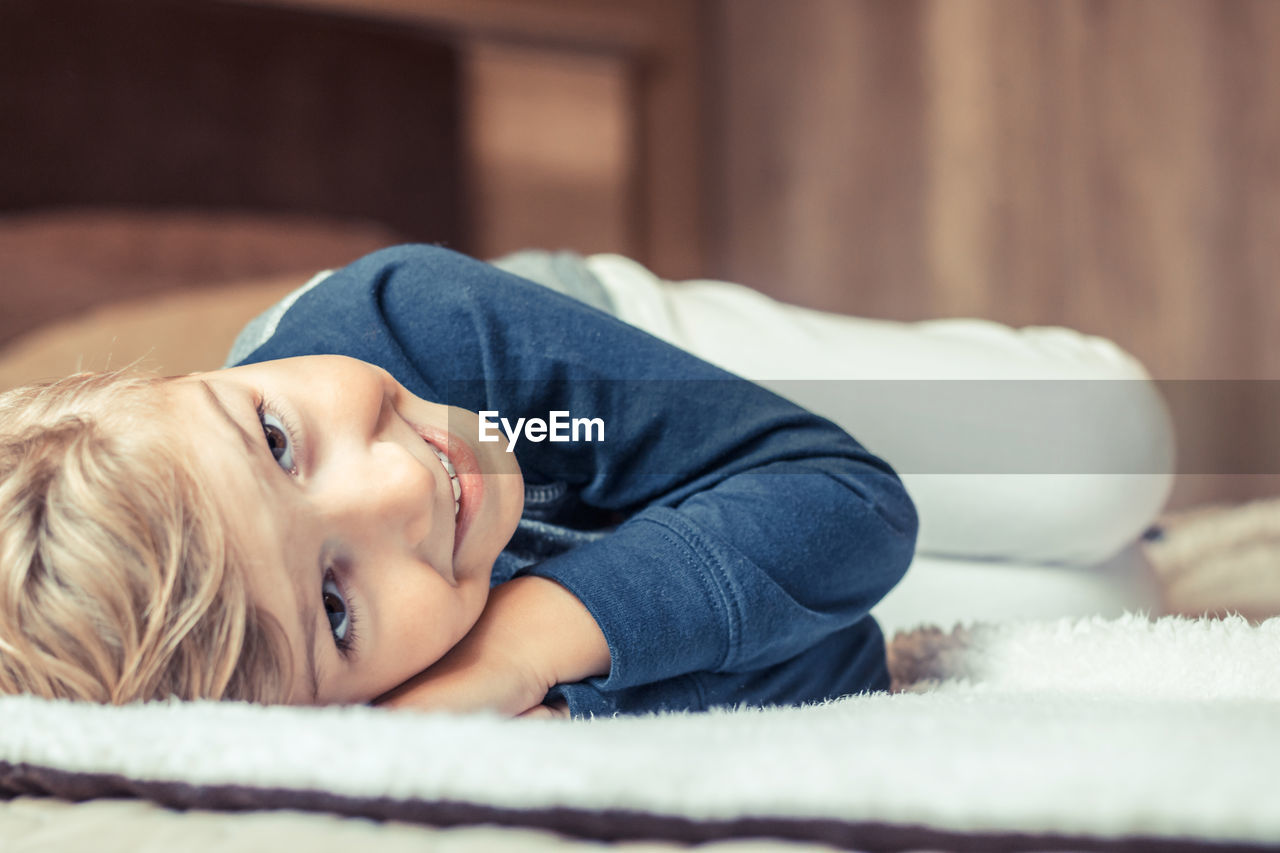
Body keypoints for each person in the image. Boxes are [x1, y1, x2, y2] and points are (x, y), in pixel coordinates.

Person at [0, 244, 1172, 718]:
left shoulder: (412, 325)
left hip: (593, 392)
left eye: (273, 438)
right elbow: (842, 654)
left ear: (184, 380)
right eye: (334, 604)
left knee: (1105, 461)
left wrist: (532, 637)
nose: (398, 490)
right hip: (642, 525)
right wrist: (561, 664)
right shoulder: (404, 713)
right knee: (1112, 608)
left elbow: (847, 501)